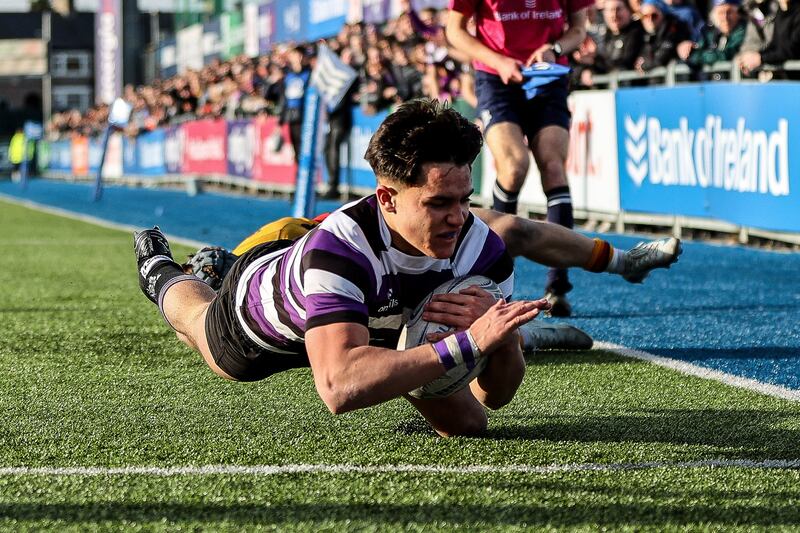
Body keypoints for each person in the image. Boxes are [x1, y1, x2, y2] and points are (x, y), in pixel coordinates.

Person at [134, 99, 549, 437]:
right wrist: (469, 342)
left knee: (469, 425)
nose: (458, 218)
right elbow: (337, 387)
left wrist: (502, 338)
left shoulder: (485, 253)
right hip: (271, 311)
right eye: (438, 204)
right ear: (387, 199)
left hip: (384, 323)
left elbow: (493, 396)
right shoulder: (341, 250)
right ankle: (162, 269)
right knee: (198, 324)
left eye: (464, 200)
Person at [446, 0, 592, 318]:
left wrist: (554, 47)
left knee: (554, 167)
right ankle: (492, 278)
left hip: (548, 76)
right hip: (496, 78)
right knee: (513, 168)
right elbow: (454, 30)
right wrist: (496, 60)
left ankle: (557, 284)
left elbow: (579, 28)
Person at [678, 0, 747, 73]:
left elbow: (727, 55)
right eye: (721, 13)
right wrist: (687, 49)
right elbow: (695, 52)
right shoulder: (710, 32)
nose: (725, 18)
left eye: (729, 12)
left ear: (738, 14)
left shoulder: (744, 30)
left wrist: (697, 55)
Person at [737, 0, 800, 77]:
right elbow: (774, 44)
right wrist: (752, 57)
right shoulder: (781, 11)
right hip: (787, 79)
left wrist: (761, 58)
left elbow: (791, 49)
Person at [635, 0, 694, 73]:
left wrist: (643, 65)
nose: (650, 20)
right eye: (645, 16)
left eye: (654, 16)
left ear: (662, 14)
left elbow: (662, 58)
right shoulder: (640, 32)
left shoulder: (674, 27)